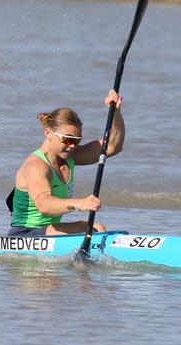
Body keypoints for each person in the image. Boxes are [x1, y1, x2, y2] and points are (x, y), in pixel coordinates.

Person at [7, 90, 124, 236]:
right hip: (24, 235)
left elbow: (113, 146)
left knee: (97, 228)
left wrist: (115, 114)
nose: (72, 145)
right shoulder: (36, 166)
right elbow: (44, 205)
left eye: (77, 140)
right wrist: (80, 204)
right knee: (90, 228)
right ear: (48, 134)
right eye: (67, 139)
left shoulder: (70, 157)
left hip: (50, 231)